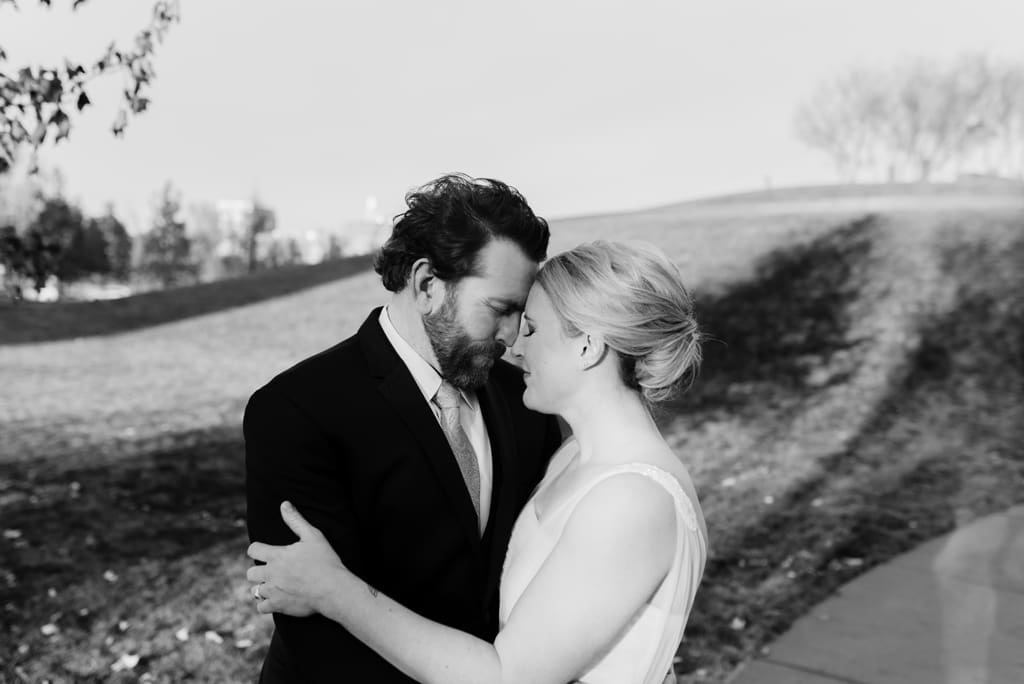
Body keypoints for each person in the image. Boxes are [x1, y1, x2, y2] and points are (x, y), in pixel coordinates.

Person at [247, 240, 709, 684]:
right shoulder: (572, 457)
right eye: (509, 316)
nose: (515, 344)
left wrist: (333, 590)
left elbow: (508, 675)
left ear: (588, 347)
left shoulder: (630, 500)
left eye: (532, 327)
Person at [243, 173, 564, 683]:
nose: (511, 337)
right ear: (427, 284)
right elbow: (318, 633)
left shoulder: (526, 401)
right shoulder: (296, 410)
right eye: (499, 310)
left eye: (520, 314)